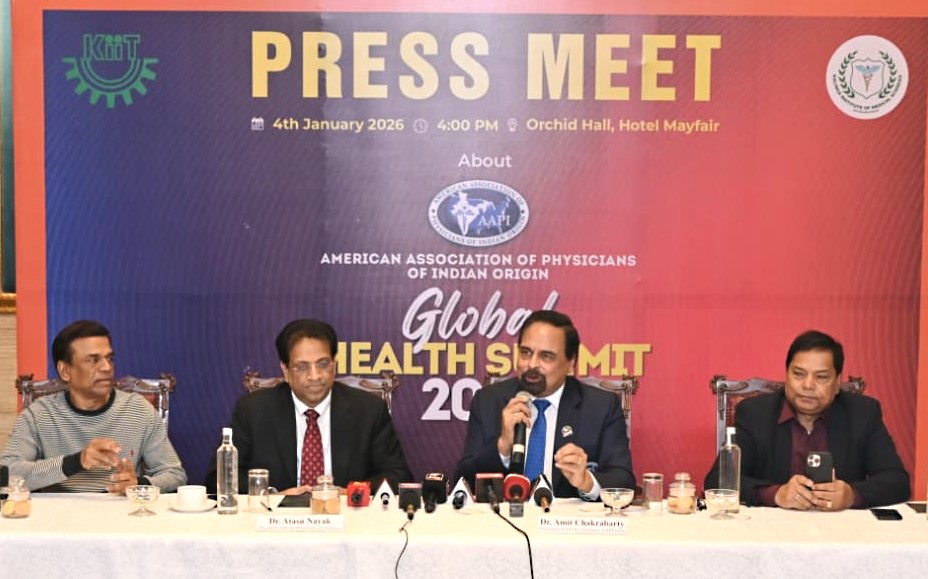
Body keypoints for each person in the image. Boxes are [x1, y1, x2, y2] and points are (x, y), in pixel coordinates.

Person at [705, 330, 910, 510]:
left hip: (841, 531)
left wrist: (852, 495)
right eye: (799, 374)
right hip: (774, 530)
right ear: (787, 374)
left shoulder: (862, 413)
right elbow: (718, 481)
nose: (808, 385)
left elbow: (897, 482)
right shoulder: (755, 413)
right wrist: (776, 494)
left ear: (837, 383)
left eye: (821, 377)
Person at [206, 319, 411, 494]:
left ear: (334, 364)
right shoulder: (253, 410)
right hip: (276, 522)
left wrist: (350, 493)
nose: (315, 376)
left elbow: (398, 476)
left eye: (323, 364)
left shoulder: (368, 410)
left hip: (347, 520)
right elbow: (219, 478)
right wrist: (272, 497)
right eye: (302, 367)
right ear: (285, 371)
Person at [455, 310, 635, 499]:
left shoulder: (601, 407)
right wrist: (502, 447)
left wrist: (586, 481)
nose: (532, 364)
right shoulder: (488, 401)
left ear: (570, 363)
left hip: (566, 517)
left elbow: (623, 481)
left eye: (546, 356)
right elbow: (463, 482)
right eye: (526, 353)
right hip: (504, 516)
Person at [0, 320, 187, 493]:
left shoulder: (139, 410)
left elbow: (175, 475)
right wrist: (77, 461)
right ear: (65, 371)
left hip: (120, 513)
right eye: (93, 360)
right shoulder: (39, 414)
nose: (107, 367)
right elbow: (6, 474)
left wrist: (138, 484)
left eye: (109, 358)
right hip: (59, 515)